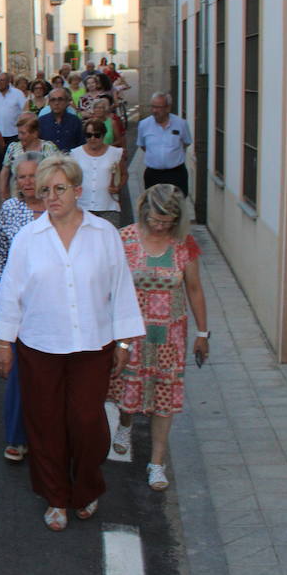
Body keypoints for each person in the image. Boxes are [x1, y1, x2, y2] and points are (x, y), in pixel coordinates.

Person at [0, 156, 145, 531]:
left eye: (60, 189)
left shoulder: (104, 234)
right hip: (40, 346)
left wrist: (123, 344)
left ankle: (87, 486)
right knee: (45, 424)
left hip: (93, 345)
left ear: (78, 191)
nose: (52, 197)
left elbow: (121, 287)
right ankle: (56, 496)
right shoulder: (29, 238)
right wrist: (3, 344)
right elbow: (11, 292)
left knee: (87, 422)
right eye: (46, 190)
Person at [110, 186, 209, 493]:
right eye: (155, 219)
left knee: (163, 397)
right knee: (129, 386)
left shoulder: (184, 245)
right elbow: (110, 287)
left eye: (167, 221)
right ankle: (125, 427)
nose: (160, 226)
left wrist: (203, 333)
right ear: (143, 212)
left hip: (170, 336)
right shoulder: (124, 239)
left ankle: (157, 462)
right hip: (132, 333)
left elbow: (193, 289)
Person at [0, 156, 47, 462]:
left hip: (52, 304)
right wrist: (2, 295)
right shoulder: (11, 209)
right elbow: (1, 253)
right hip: (18, 301)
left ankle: (44, 434)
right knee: (17, 372)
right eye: (21, 176)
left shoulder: (57, 210)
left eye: (32, 176)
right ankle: (16, 436)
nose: (26, 182)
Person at [71, 119, 125, 227]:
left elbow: (124, 174)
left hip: (108, 206)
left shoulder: (116, 153)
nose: (92, 139)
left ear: (104, 135)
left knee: (109, 241)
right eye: (88, 135)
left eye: (97, 135)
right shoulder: (75, 154)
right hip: (83, 207)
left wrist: (118, 187)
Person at [138, 92, 193, 197]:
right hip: (153, 175)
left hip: (176, 174)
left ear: (168, 108)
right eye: (153, 107)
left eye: (158, 107)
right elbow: (143, 145)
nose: (154, 111)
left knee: (176, 208)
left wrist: (171, 155)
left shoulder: (181, 123)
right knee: (154, 208)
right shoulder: (144, 125)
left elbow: (186, 142)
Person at [0, 113, 59, 201]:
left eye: (23, 133)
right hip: (17, 197)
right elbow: (5, 171)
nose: (19, 137)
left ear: (35, 133)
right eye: (18, 133)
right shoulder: (13, 147)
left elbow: (58, 171)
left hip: (43, 197)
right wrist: (3, 192)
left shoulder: (48, 148)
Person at [38, 88, 85, 154]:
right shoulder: (41, 122)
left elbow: (81, 145)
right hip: (47, 162)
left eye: (60, 99)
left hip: (70, 161)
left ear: (67, 102)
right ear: (49, 103)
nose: (56, 103)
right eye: (53, 100)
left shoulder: (75, 121)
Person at [0, 72, 25, 146]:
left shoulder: (18, 94)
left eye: (2, 80)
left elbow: (25, 111)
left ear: (8, 81)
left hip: (14, 133)